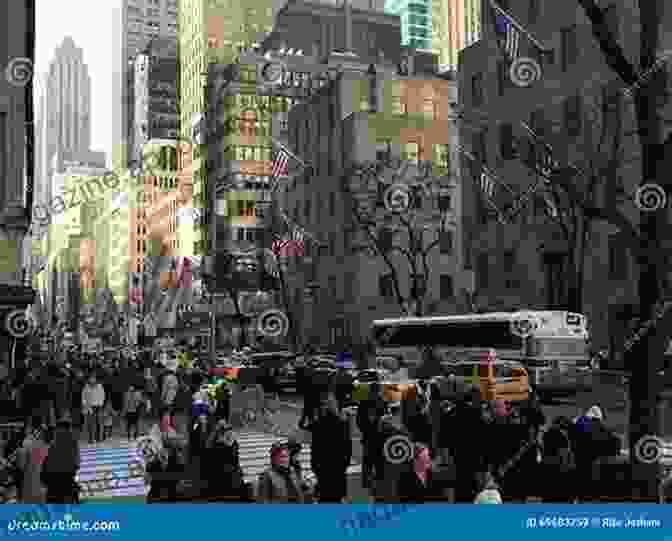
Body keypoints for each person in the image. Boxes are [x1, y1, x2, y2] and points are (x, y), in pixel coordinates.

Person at [307, 393, 352, 503]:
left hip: (323, 469)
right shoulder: (342, 423)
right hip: (338, 469)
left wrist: (315, 466)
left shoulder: (318, 424)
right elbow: (347, 447)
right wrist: (344, 464)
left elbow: (315, 448)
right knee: (336, 499)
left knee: (324, 499)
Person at [202, 420, 249, 501]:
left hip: (229, 476)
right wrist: (216, 430)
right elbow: (208, 444)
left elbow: (229, 443)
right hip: (222, 476)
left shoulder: (229, 440)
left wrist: (218, 431)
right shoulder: (218, 441)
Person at [41, 416, 80, 504]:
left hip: (52, 474)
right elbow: (76, 459)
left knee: (53, 498)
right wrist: (75, 468)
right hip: (67, 474)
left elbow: (45, 456)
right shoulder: (72, 439)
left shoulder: (52, 437)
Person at [356, 381, 386, 489]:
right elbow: (385, 419)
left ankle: (366, 481)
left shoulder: (363, 402)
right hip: (379, 435)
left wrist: (365, 429)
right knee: (379, 460)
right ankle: (379, 481)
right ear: (378, 390)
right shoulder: (381, 401)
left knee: (367, 460)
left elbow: (358, 421)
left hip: (368, 435)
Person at [15, 417, 49, 503]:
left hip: (29, 483)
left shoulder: (26, 442)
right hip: (43, 483)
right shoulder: (45, 444)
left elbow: (21, 465)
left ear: (30, 428)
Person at [146, 431, 186, 503]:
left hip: (169, 496)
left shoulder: (178, 461)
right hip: (158, 495)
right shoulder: (153, 462)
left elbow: (179, 482)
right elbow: (148, 479)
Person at [81, 374, 105, 443]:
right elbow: (83, 397)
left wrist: (101, 403)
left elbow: (102, 395)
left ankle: (99, 438)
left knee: (99, 423)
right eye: (91, 378)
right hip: (90, 407)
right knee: (90, 424)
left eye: (93, 378)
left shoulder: (100, 386)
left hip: (98, 406)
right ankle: (91, 438)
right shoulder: (86, 387)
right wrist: (85, 406)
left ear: (95, 379)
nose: (92, 380)